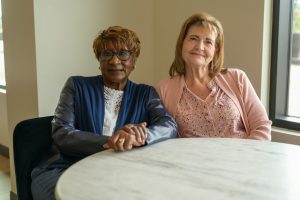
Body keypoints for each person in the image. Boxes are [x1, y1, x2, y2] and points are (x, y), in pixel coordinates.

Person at [31, 26, 177, 200]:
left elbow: (169, 126)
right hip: (65, 167)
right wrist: (113, 141)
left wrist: (142, 136)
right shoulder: (77, 86)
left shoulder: (145, 93)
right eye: (106, 54)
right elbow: (62, 133)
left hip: (119, 171)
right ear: (99, 60)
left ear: (134, 60)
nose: (115, 61)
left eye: (123, 53)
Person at [156, 12, 271, 140]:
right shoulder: (164, 89)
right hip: (192, 159)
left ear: (216, 50)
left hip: (242, 157)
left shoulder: (237, 78)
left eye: (208, 42)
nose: (200, 47)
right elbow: (158, 134)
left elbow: (261, 126)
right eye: (193, 38)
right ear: (182, 43)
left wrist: (246, 157)